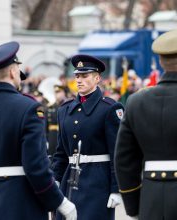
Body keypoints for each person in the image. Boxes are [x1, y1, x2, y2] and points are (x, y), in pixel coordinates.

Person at [0, 41, 77, 220]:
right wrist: (60, 202)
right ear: (13, 72)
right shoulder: (28, 108)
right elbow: (35, 167)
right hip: (22, 205)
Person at [115, 28, 177, 220]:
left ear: (160, 61)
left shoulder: (136, 102)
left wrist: (134, 206)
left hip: (151, 200)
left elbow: (124, 160)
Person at [52, 54, 124, 220]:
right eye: (77, 76)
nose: (79, 80)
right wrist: (55, 179)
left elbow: (116, 153)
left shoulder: (109, 108)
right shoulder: (64, 110)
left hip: (97, 184)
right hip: (69, 182)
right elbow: (61, 152)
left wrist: (116, 188)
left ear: (97, 78)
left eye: (85, 76)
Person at [46, 85, 68, 159]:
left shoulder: (68, 105)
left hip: (64, 134)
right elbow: (46, 125)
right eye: (55, 92)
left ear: (64, 93)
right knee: (52, 156)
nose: (57, 94)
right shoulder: (50, 106)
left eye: (59, 92)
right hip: (52, 135)